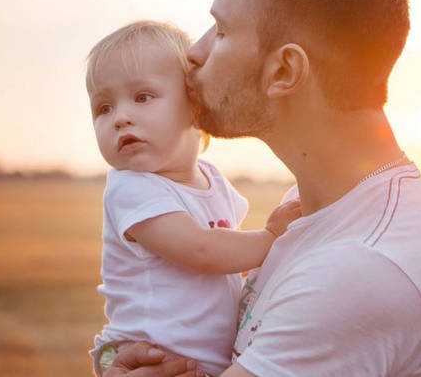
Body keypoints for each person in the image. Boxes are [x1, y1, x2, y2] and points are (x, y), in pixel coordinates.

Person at [102, 0, 421, 376]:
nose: (194, 52)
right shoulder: (318, 204)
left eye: (221, 31)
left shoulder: (361, 269)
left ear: (284, 71)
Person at [85, 21, 302, 377]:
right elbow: (202, 251)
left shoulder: (212, 180)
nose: (121, 118)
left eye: (142, 97)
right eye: (103, 108)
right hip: (148, 357)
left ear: (195, 105)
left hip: (199, 361)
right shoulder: (132, 187)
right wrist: (271, 239)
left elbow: (230, 257)